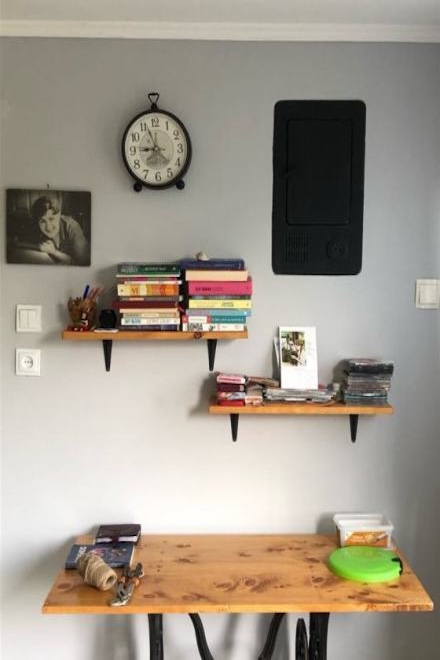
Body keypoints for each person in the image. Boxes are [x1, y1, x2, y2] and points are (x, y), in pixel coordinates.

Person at [31, 196, 90, 265]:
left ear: (59, 215)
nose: (48, 227)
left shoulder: (72, 227)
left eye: (51, 219)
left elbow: (83, 264)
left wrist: (54, 252)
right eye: (42, 221)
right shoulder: (36, 228)